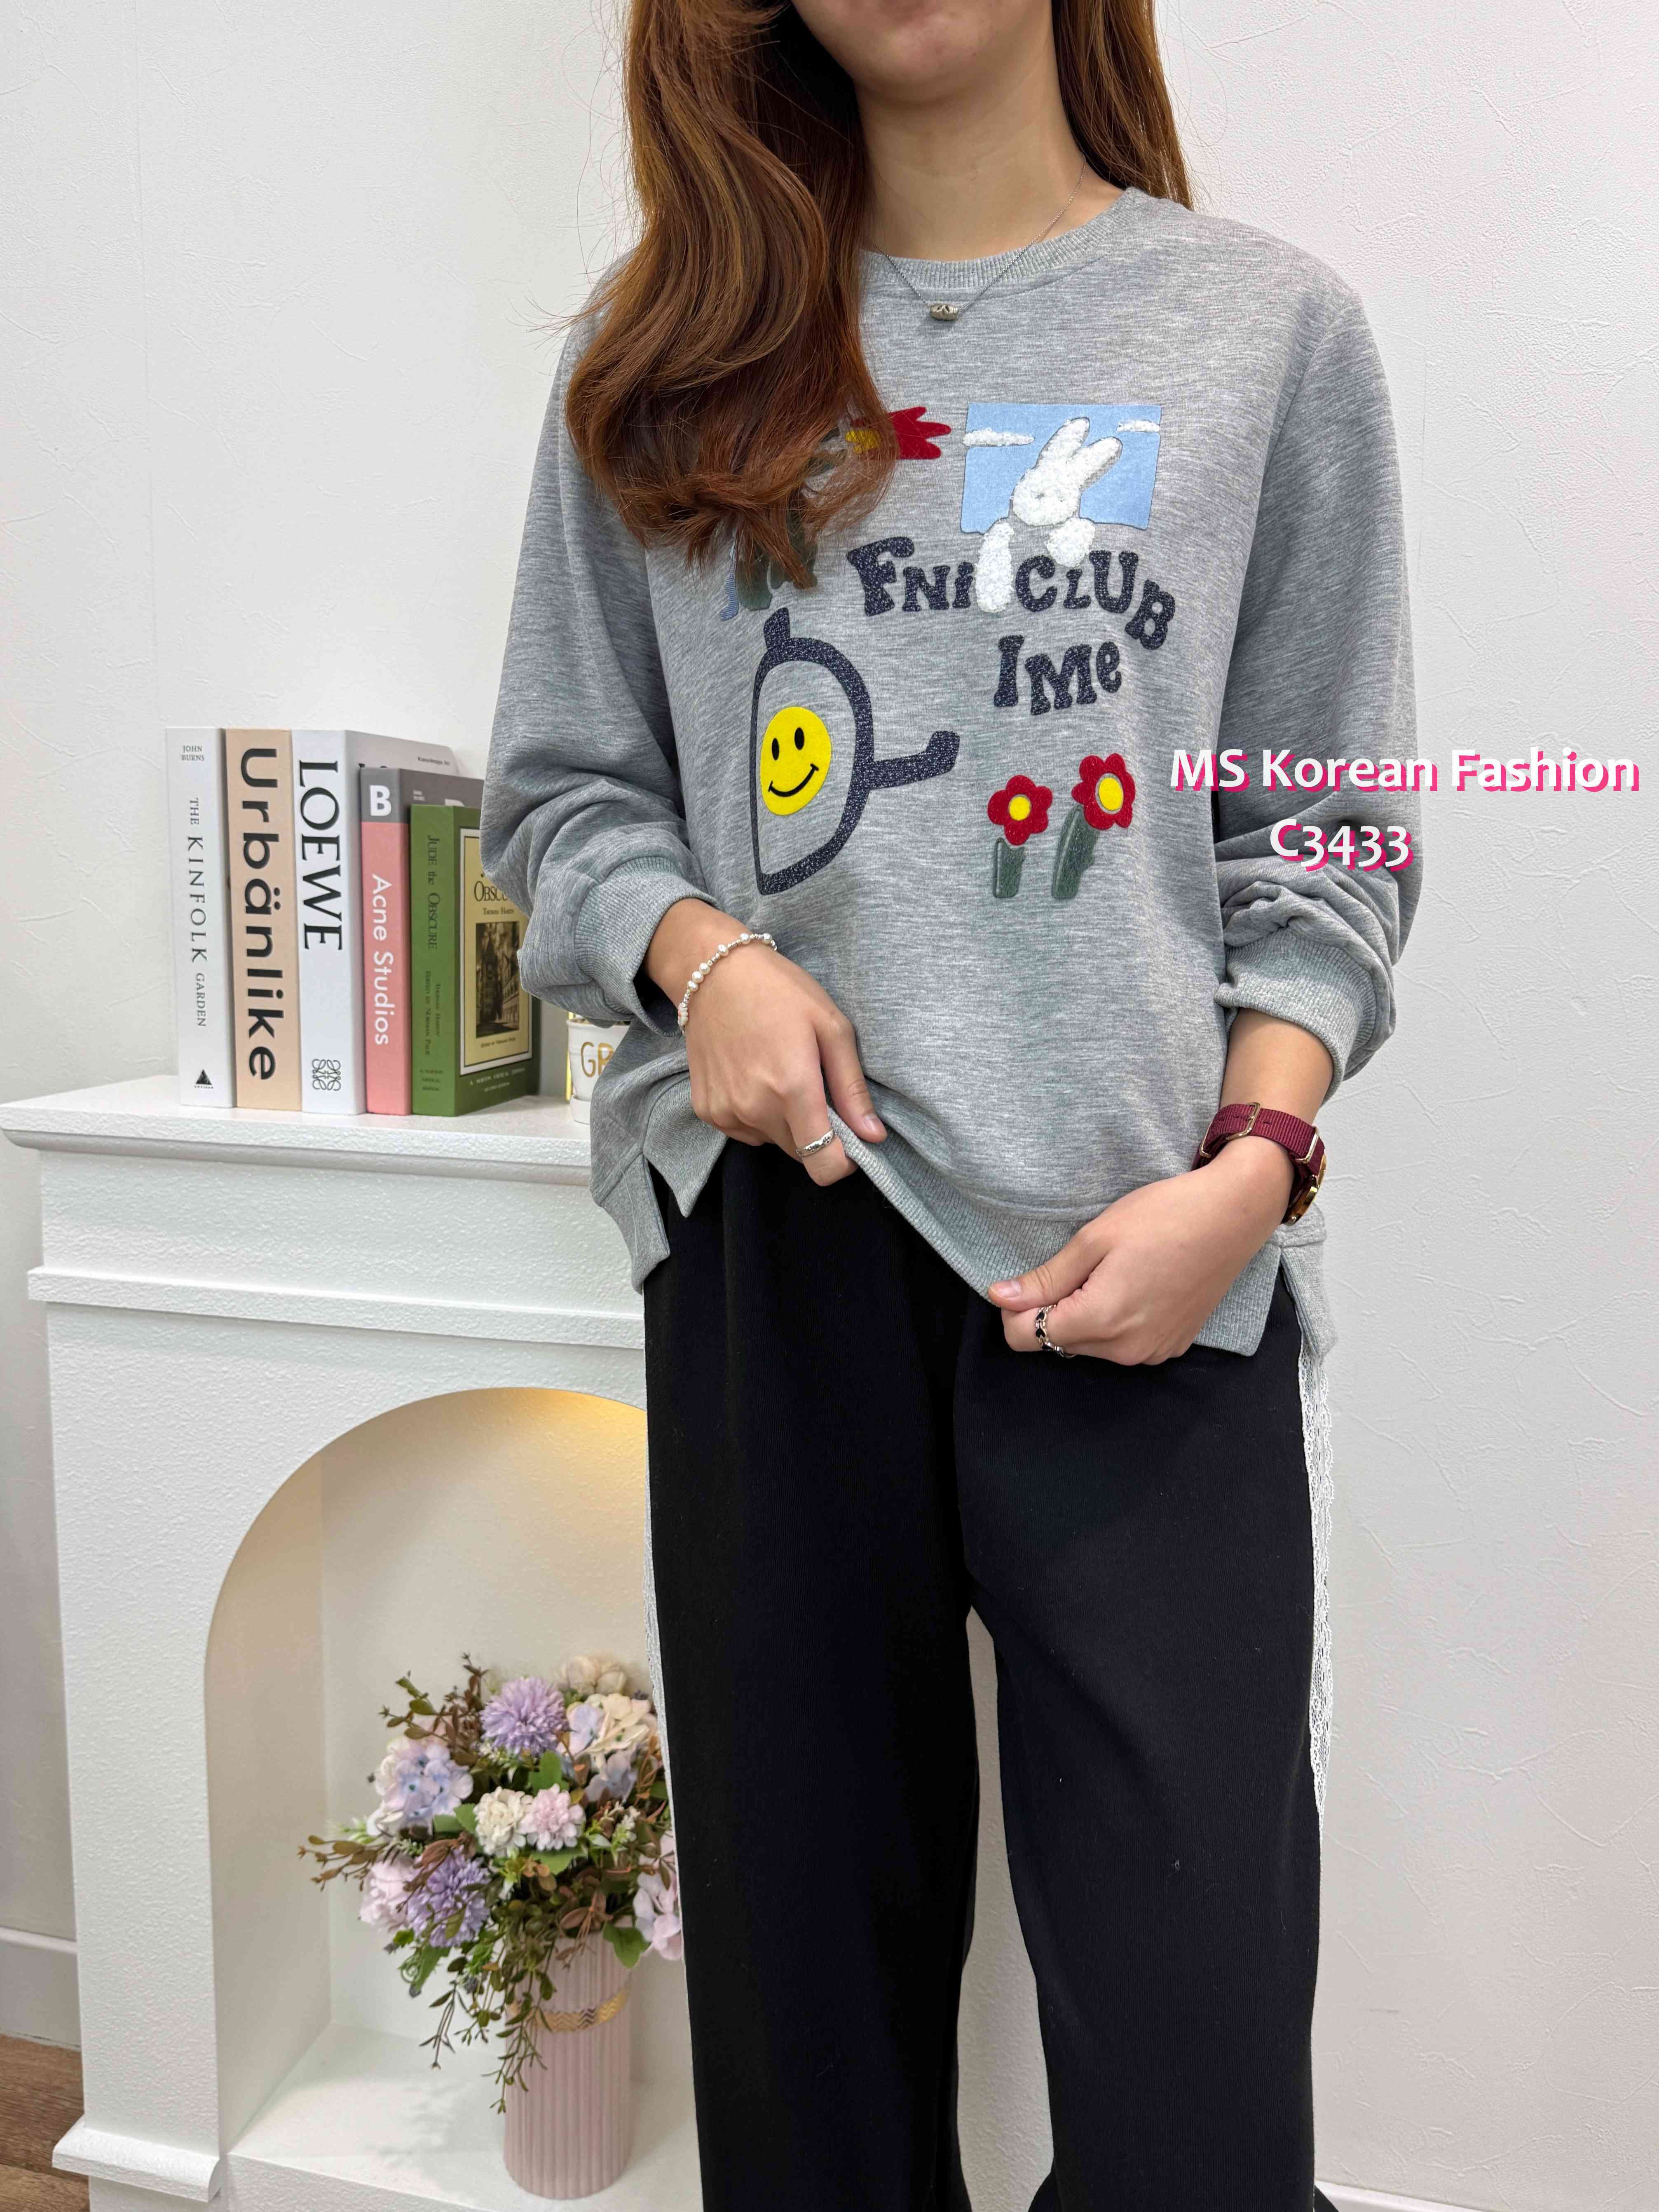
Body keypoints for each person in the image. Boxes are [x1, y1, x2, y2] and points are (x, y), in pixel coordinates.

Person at [483, 1, 1419, 2203]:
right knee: (808, 2056)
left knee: (1201, 2092)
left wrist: (1258, 1166)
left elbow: (1328, 837)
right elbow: (565, 794)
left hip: (1153, 1246)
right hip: (780, 1241)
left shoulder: (1264, 334)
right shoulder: (669, 345)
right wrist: (702, 958)